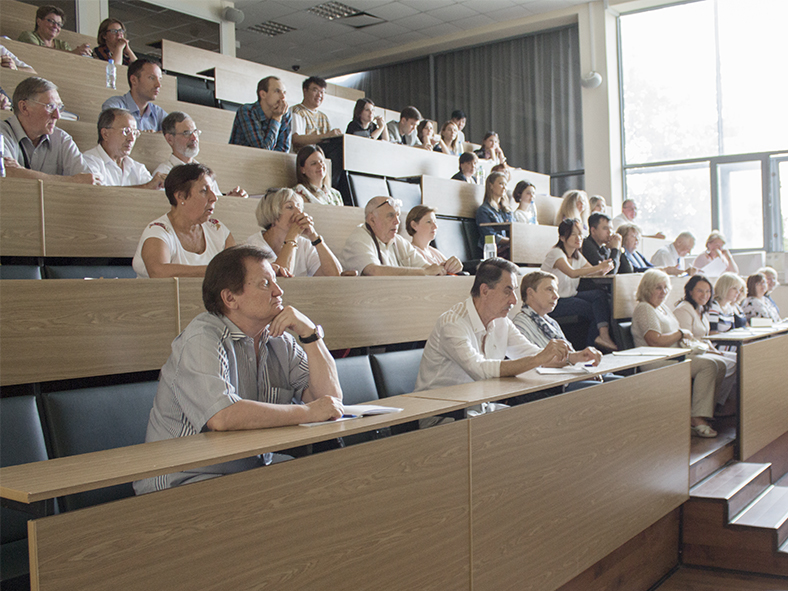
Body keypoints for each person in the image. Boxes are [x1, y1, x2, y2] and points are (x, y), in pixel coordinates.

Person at [133, 245, 343, 494]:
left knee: (329, 485)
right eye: (265, 284)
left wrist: (311, 335)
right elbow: (223, 416)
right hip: (185, 479)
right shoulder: (201, 338)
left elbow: (329, 403)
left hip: (246, 471)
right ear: (230, 298)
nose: (279, 291)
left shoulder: (279, 339)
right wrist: (306, 413)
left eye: (275, 281)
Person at [415, 258, 573, 392]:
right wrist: (539, 358)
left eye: (514, 291)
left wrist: (575, 357)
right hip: (443, 416)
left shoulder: (501, 320)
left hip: (478, 407)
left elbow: (528, 352)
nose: (514, 300)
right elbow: (479, 370)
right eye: (507, 291)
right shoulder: (452, 323)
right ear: (484, 291)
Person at [631, 269, 728, 438]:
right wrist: (681, 334)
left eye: (665, 287)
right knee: (708, 365)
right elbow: (654, 340)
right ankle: (696, 418)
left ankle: (703, 413)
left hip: (675, 355)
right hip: (656, 360)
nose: (663, 292)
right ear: (647, 288)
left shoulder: (662, 308)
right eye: (658, 288)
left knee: (720, 364)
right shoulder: (645, 308)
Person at [132, 163, 235, 278]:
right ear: (181, 196)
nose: (214, 198)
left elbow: (238, 268)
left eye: (212, 190)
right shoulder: (158, 231)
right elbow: (158, 272)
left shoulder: (218, 229)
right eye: (204, 191)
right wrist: (214, 271)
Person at [0, 77, 98, 184]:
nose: (57, 115)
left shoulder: (62, 139)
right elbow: (8, 174)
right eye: (50, 106)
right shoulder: (3, 133)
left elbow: (88, 182)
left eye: (59, 107)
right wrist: (72, 180)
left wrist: (22, 173)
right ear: (24, 107)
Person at [540, 219, 618, 350]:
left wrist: (604, 268)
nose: (579, 238)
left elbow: (595, 273)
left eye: (580, 234)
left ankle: (602, 337)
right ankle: (589, 349)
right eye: (573, 234)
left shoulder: (577, 256)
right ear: (563, 237)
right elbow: (572, 273)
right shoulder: (556, 253)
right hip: (556, 301)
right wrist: (598, 267)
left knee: (600, 296)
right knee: (594, 311)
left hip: (570, 297)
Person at [246, 188, 342, 277]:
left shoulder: (304, 244)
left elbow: (335, 276)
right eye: (290, 207)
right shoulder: (253, 246)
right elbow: (280, 281)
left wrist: (314, 236)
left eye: (299, 207)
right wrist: (292, 237)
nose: (299, 212)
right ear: (272, 214)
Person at [341, 196, 448, 276]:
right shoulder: (359, 238)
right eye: (390, 216)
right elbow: (374, 271)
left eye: (398, 215)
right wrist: (424, 272)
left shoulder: (399, 241)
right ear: (372, 220)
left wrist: (447, 267)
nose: (397, 221)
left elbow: (426, 267)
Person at [153, 111, 247, 198]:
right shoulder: (163, 173)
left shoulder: (204, 171)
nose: (194, 138)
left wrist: (231, 200)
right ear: (170, 139)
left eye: (195, 132)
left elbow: (216, 203)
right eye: (187, 133)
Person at [82, 108, 165, 188]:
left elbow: (152, 192)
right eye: (126, 131)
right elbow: (100, 195)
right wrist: (146, 187)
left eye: (135, 133)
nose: (131, 139)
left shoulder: (138, 168)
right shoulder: (88, 160)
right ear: (105, 134)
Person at [101, 59, 167, 132]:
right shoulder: (114, 106)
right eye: (151, 78)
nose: (158, 85)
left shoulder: (159, 113)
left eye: (160, 80)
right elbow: (112, 135)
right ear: (134, 80)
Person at [229, 76, 291, 152]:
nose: (283, 97)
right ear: (263, 94)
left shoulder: (285, 115)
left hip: (268, 163)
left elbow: (283, 153)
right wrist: (276, 118)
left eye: (284, 92)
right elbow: (262, 150)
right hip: (239, 160)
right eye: (277, 91)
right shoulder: (247, 111)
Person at [406, 205, 463, 274]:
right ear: (414, 225)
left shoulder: (435, 252)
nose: (435, 227)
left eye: (435, 222)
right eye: (429, 222)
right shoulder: (410, 252)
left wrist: (456, 266)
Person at [290, 76, 342, 150]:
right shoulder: (297, 111)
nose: (319, 95)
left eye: (322, 92)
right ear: (305, 91)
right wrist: (325, 136)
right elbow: (296, 139)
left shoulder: (323, 117)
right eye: (315, 90)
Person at [17, 5, 91, 57]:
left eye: (59, 24)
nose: (55, 26)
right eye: (51, 21)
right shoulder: (28, 35)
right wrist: (73, 53)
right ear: (39, 21)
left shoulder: (63, 45)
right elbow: (37, 51)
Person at [475, 171, 514, 257]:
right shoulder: (484, 210)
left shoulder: (507, 210)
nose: (504, 187)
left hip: (510, 248)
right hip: (494, 252)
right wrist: (511, 241)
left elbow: (515, 229)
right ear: (491, 186)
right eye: (501, 183)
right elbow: (489, 236)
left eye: (505, 184)